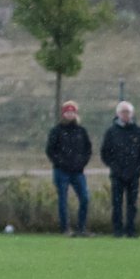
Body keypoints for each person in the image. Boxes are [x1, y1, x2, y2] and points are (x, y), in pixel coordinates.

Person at [100, 101, 140, 238]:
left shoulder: (138, 132)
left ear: (132, 114)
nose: (125, 115)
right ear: (118, 114)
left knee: (132, 204)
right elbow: (105, 153)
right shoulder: (111, 132)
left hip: (134, 174)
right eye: (123, 112)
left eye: (127, 112)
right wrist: (115, 167)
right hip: (117, 174)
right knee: (117, 203)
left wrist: (137, 167)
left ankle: (131, 230)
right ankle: (117, 230)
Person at [45, 100, 93, 237]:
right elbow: (50, 151)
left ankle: (81, 228)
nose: (70, 115)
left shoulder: (81, 131)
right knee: (63, 200)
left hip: (78, 172)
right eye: (67, 112)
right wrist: (61, 163)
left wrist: (82, 163)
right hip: (61, 171)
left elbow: (87, 150)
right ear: (63, 114)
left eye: (72, 112)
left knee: (84, 198)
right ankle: (65, 228)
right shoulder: (56, 131)